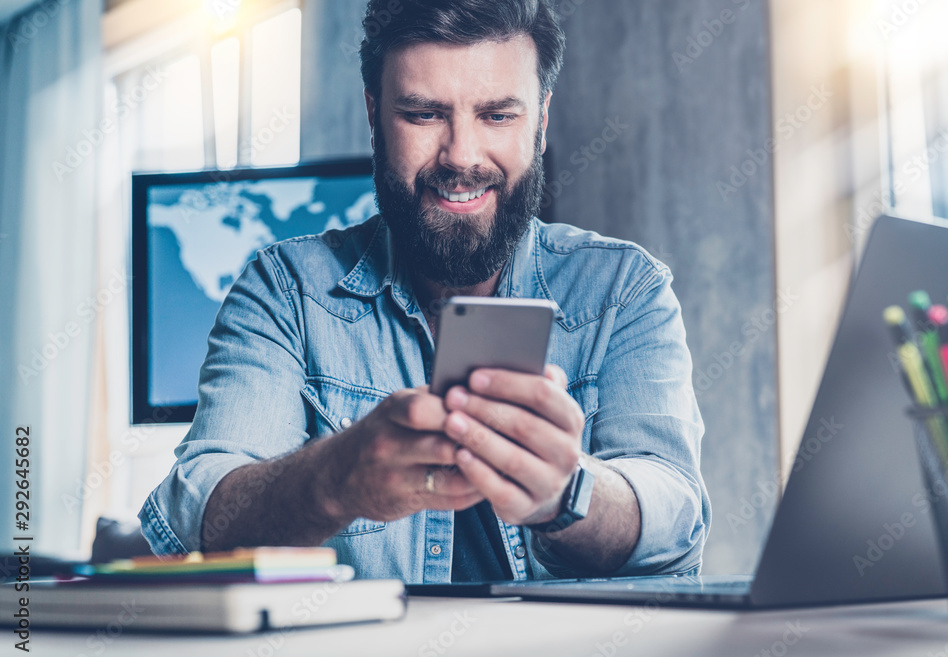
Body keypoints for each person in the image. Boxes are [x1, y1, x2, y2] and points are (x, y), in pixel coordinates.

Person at [140, 0, 710, 584]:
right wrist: (335, 479)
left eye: (497, 116)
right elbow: (198, 520)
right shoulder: (284, 291)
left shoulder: (623, 290)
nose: (461, 156)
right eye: (422, 115)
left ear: (540, 123)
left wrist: (566, 492)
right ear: (374, 116)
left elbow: (673, 524)